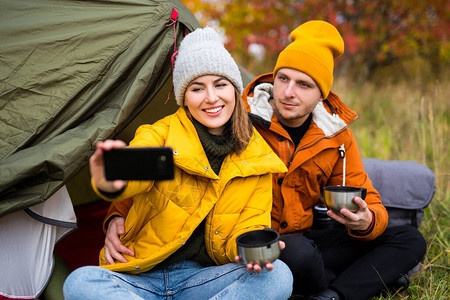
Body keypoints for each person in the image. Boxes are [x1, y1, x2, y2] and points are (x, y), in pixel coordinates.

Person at [62, 27, 293, 300]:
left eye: (220, 84)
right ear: (184, 97)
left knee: (278, 275)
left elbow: (247, 228)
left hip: (203, 279)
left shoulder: (257, 159)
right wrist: (110, 178)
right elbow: (132, 176)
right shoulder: (161, 136)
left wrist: (250, 250)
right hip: (140, 277)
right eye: (197, 88)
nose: (211, 98)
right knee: (80, 282)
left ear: (234, 89)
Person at [242, 20, 427, 299]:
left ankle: (332, 294)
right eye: (283, 79)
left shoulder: (336, 135)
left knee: (409, 239)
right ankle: (362, 280)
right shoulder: (243, 122)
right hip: (263, 246)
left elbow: (370, 200)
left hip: (310, 241)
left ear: (321, 94)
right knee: (299, 255)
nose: (288, 92)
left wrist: (366, 221)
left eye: (303, 84)